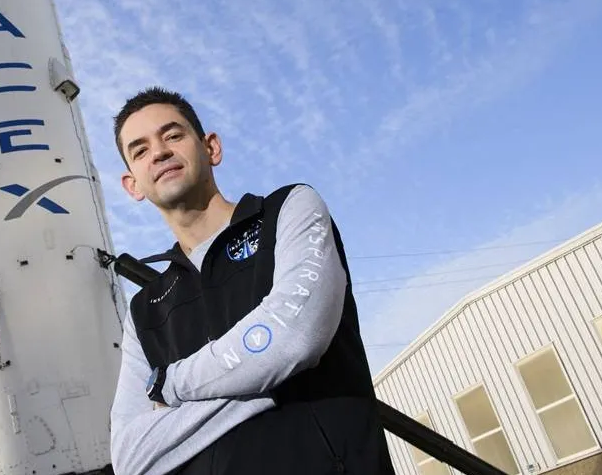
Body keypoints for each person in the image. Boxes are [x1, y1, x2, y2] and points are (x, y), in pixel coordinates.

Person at [108, 87, 393, 475]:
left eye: (173, 135)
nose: (158, 152)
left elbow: (295, 339)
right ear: (133, 185)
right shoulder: (145, 310)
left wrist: (170, 385)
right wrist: (268, 377)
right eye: (140, 150)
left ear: (211, 148)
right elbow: (130, 457)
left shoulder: (289, 210)